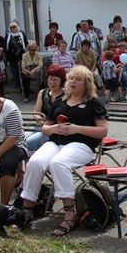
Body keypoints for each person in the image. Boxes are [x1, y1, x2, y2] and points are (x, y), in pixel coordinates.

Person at [20, 66, 108, 236]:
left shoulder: (93, 103)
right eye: (71, 78)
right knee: (35, 162)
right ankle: (27, 209)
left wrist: (77, 129)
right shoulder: (60, 102)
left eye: (78, 79)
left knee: (58, 163)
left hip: (81, 145)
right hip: (56, 142)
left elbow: (103, 131)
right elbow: (45, 129)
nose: (72, 81)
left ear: (87, 83)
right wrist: (54, 128)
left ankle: (70, 212)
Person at [26, 65, 66, 152]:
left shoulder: (66, 95)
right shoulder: (42, 93)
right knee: (20, 139)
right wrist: (42, 121)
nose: (52, 82)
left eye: (56, 80)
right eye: (50, 79)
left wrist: (49, 126)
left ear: (61, 81)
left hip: (54, 130)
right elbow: (36, 113)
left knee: (29, 142)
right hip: (39, 126)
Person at [5, 22, 29, 89]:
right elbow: (6, 46)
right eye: (11, 27)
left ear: (17, 27)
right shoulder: (8, 36)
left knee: (22, 72)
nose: (13, 28)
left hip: (21, 57)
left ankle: (24, 86)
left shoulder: (22, 34)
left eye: (14, 27)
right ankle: (17, 85)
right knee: (15, 72)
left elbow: (26, 44)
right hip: (12, 58)